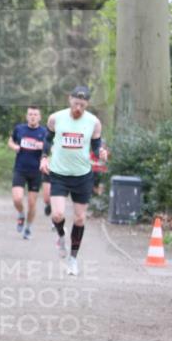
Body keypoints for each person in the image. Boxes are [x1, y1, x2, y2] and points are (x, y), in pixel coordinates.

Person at [39, 85, 108, 276]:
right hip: (59, 173)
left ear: (87, 104)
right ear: (69, 100)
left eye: (82, 105)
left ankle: (73, 259)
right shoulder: (56, 118)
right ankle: (61, 236)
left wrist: (100, 152)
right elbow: (47, 139)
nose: (78, 108)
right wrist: (44, 157)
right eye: (76, 104)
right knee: (58, 214)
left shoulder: (93, 122)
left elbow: (96, 146)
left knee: (79, 218)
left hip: (82, 175)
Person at [7, 106, 48, 239]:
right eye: (30, 114)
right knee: (17, 198)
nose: (32, 117)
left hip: (36, 171)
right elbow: (10, 141)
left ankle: (28, 228)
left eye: (35, 114)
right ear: (27, 116)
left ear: (39, 117)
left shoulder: (44, 132)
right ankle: (20, 214)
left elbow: (51, 147)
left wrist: (43, 148)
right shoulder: (19, 129)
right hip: (20, 169)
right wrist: (15, 147)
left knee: (32, 203)